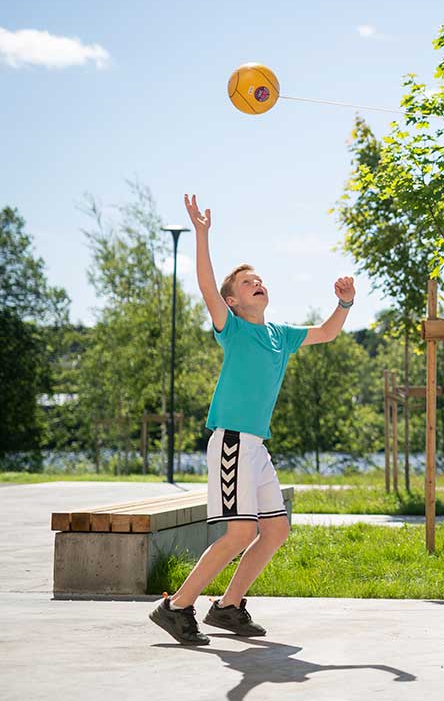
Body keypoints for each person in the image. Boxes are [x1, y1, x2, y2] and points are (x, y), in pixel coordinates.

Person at [150, 193, 355, 645]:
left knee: (276, 529)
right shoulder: (234, 328)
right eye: (247, 283)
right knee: (242, 530)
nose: (256, 283)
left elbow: (325, 332)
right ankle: (176, 606)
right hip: (232, 443)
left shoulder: (281, 335)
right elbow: (206, 285)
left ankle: (227, 607)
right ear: (233, 302)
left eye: (259, 279)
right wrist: (202, 235)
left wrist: (344, 303)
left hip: (256, 446)